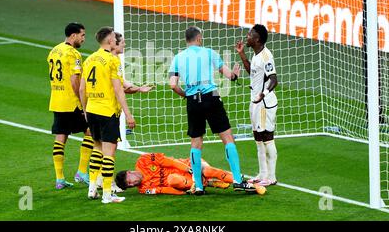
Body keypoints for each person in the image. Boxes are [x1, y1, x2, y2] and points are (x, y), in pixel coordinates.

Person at [168, 26, 256, 195]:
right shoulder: (209, 53)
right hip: (211, 97)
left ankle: (199, 186)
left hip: (193, 101)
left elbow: (173, 84)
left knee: (196, 142)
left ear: (187, 40)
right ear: (199, 38)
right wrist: (235, 75)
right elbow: (229, 75)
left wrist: (186, 95)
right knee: (227, 137)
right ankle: (237, 180)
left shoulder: (178, 58)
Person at [80, 27, 136, 204]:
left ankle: (92, 190)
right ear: (109, 41)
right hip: (107, 111)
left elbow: (82, 89)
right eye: (113, 37)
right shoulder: (112, 60)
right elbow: (119, 90)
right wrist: (128, 114)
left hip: (92, 110)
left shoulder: (89, 59)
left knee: (97, 148)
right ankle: (106, 195)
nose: (115, 40)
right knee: (109, 153)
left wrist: (85, 110)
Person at [47, 22, 94, 190]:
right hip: (72, 102)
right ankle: (82, 171)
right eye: (82, 35)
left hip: (57, 100)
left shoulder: (54, 50)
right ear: (73, 35)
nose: (83, 39)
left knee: (61, 138)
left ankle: (59, 179)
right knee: (90, 131)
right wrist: (82, 102)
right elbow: (75, 81)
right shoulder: (74, 54)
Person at [235, 24, 278, 187]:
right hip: (255, 101)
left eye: (249, 34)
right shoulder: (256, 55)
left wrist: (263, 94)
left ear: (257, 38)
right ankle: (262, 173)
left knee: (267, 138)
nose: (247, 37)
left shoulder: (266, 56)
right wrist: (242, 55)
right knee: (258, 138)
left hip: (264, 103)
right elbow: (252, 72)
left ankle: (272, 176)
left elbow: (274, 79)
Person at [115, 153, 266, 195]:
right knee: (172, 179)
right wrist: (185, 193)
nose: (132, 183)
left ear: (129, 172)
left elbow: (170, 162)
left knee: (207, 171)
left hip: (186, 166)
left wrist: (189, 169)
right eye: (129, 185)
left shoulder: (143, 161)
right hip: (185, 183)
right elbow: (165, 190)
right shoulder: (144, 189)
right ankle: (206, 183)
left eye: (129, 180)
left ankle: (246, 182)